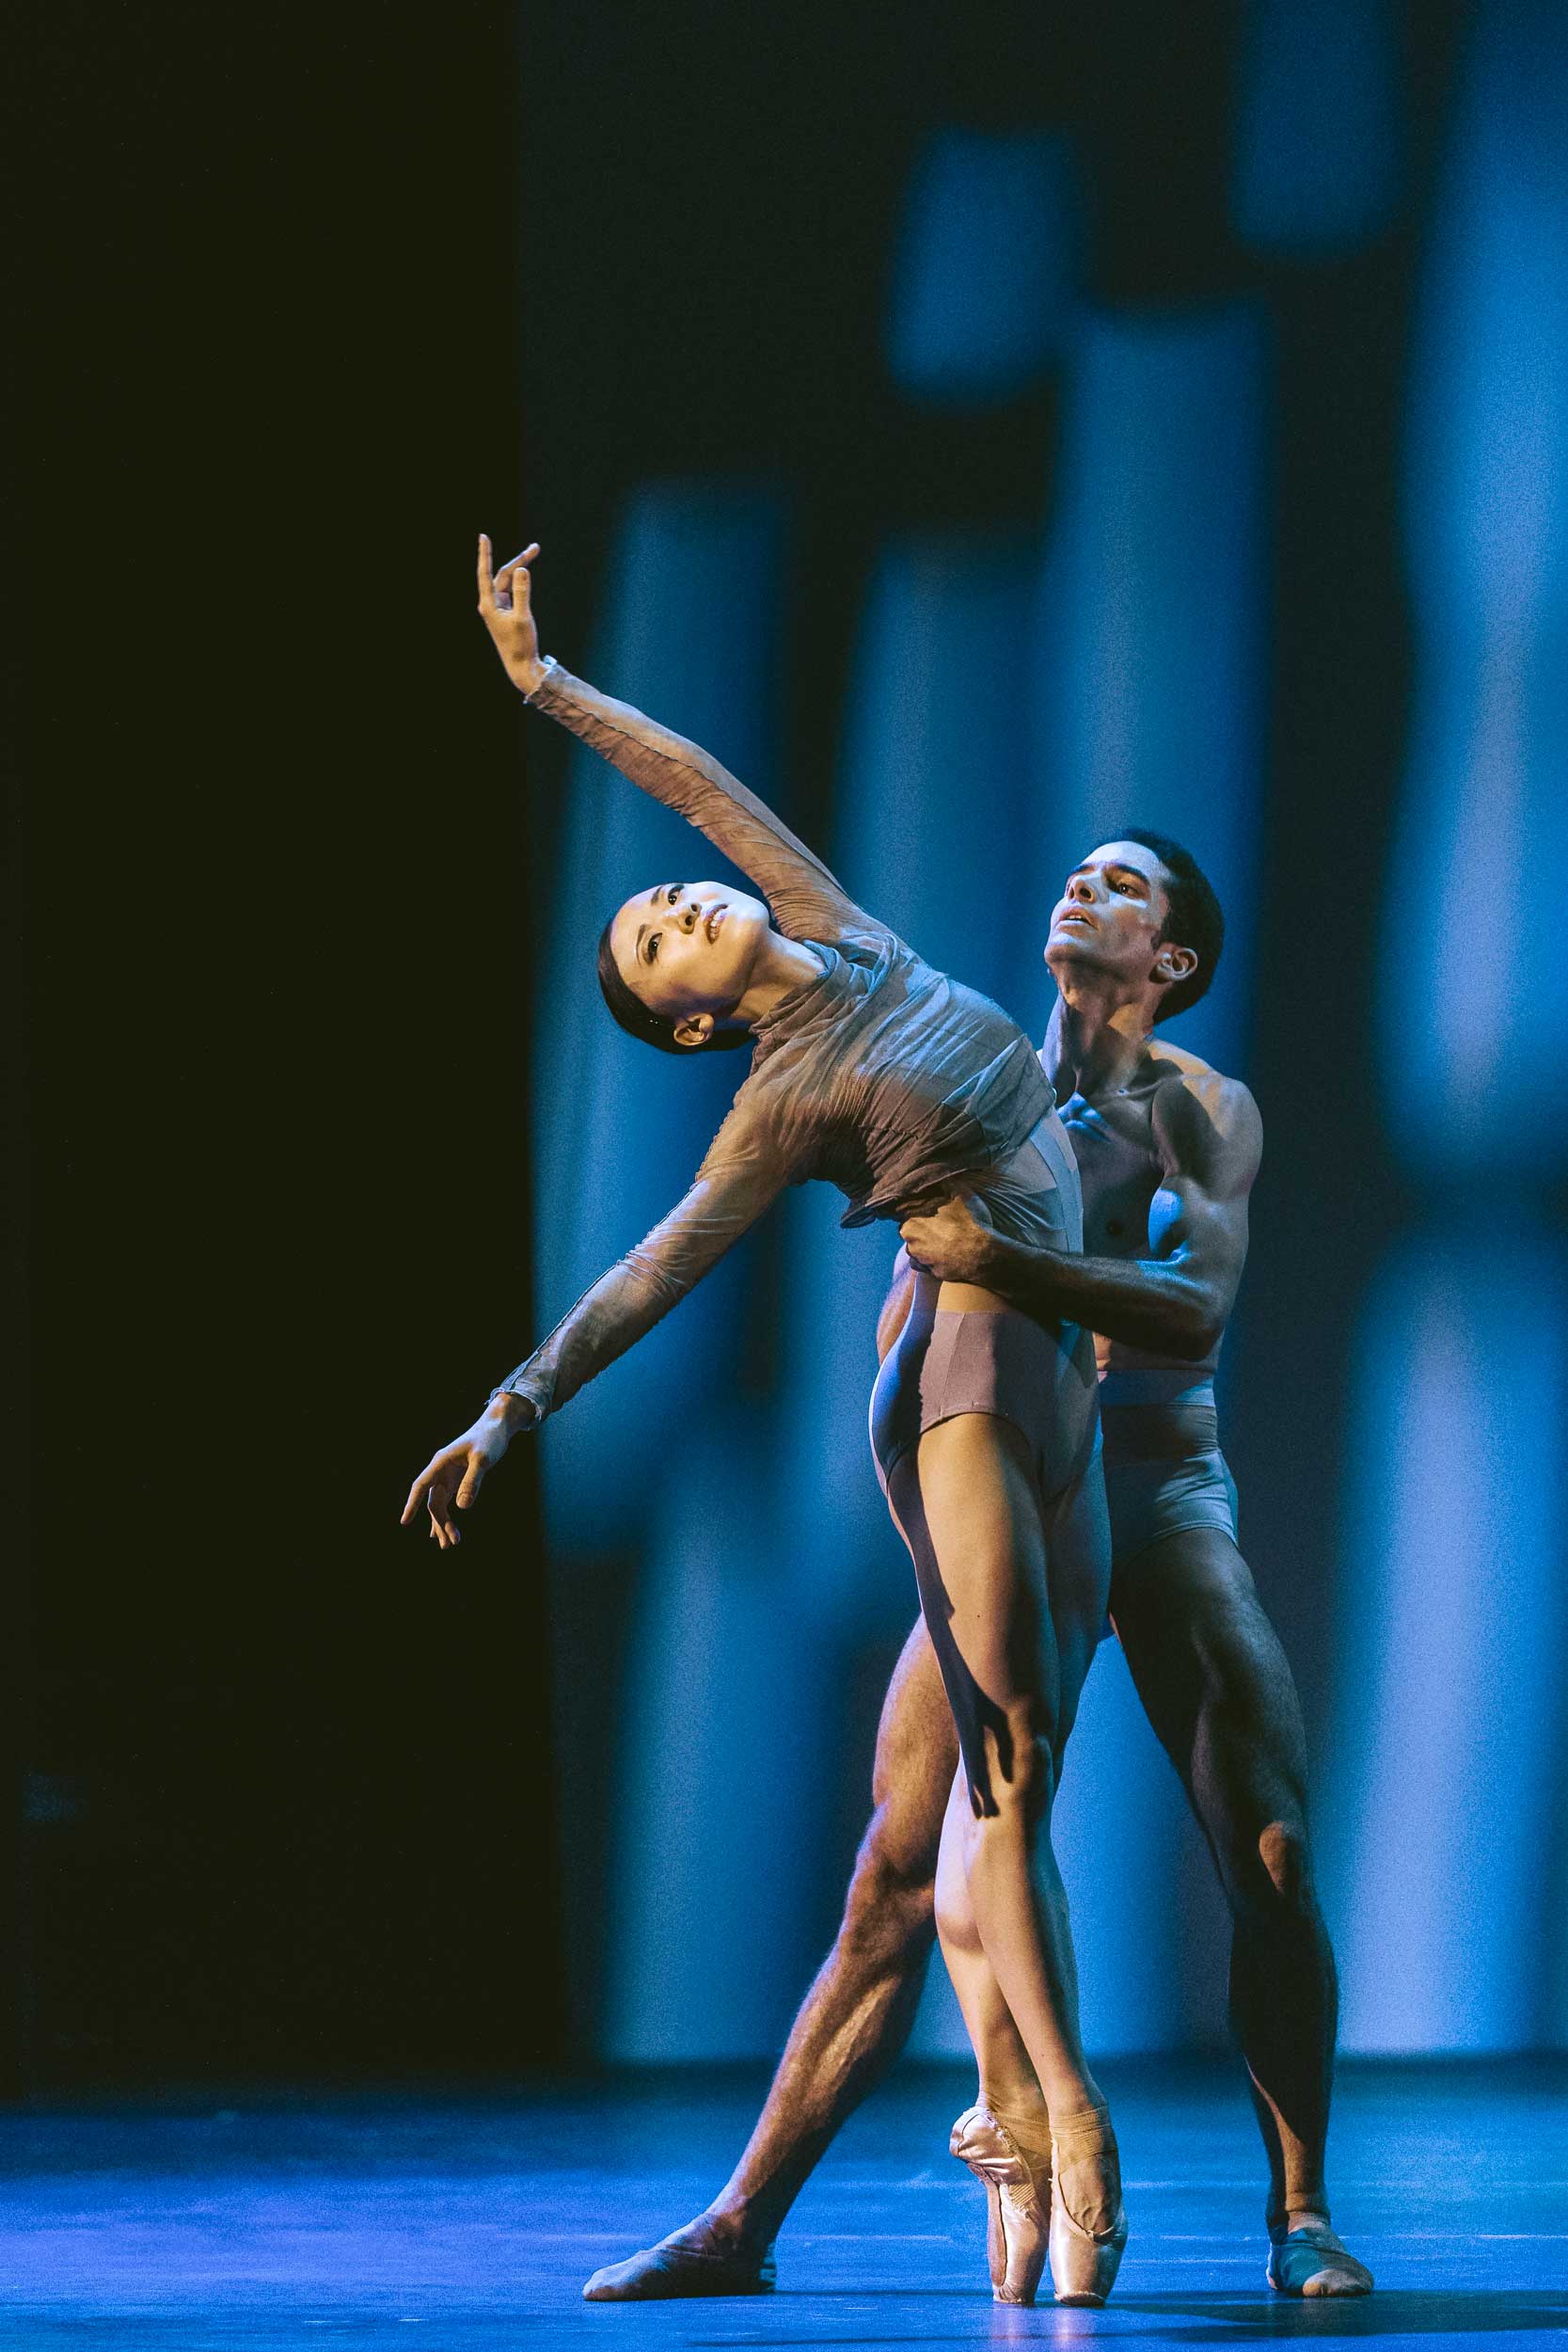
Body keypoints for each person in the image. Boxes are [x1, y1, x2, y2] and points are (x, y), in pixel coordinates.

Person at [402, 537, 1129, 2306]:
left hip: (1063, 1403)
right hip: (961, 1389)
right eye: (657, 946)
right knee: (1011, 1783)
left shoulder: (843, 930)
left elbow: (700, 786)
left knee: (900, 1871)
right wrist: (514, 1402)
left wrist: (547, 688)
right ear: (693, 1027)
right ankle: (1054, 2125)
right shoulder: (779, 1098)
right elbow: (656, 1266)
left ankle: (745, 2225)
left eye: (666, 905)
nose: (677, 909)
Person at [583, 834, 1374, 2306]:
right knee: (896, 1869)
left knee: (1266, 1842)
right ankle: (741, 2223)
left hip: (1155, 1485)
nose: (1083, 887)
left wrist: (997, 1264)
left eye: (1124, 886)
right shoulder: (970, 1076)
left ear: (1172, 960)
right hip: (1012, 1487)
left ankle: (1303, 2213)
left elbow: (1191, 1307)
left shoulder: (1200, 1106)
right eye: (1078, 871)